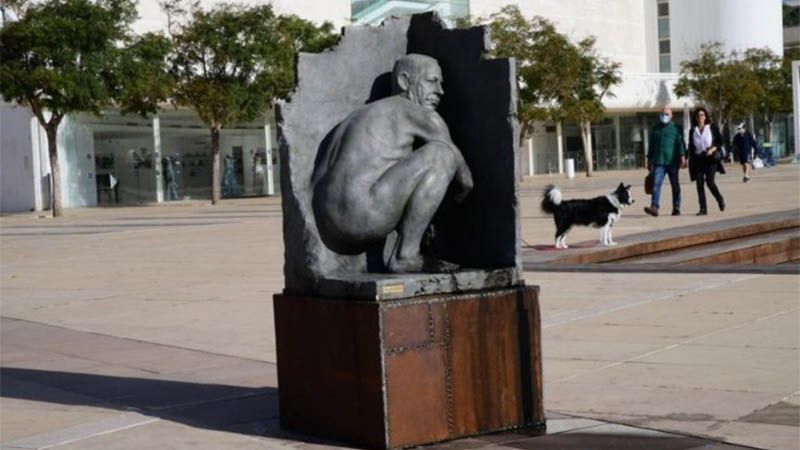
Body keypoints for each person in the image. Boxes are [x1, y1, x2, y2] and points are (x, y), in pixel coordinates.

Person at [311, 54, 473, 273]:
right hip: (364, 215)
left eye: (441, 84)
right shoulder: (420, 114)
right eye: (432, 81)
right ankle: (405, 255)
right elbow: (465, 181)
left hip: (328, 223)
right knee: (442, 154)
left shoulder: (357, 116)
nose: (440, 91)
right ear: (404, 82)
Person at [644, 106, 687, 217]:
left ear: (671, 116)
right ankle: (654, 207)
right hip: (659, 162)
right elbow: (652, 145)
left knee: (675, 185)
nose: (665, 116)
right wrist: (649, 159)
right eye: (663, 114)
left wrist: (682, 156)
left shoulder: (676, 128)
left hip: (672, 162)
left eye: (667, 114)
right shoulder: (656, 129)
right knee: (656, 184)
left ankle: (676, 207)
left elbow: (680, 143)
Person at [688, 106, 725, 215]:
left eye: (702, 115)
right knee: (699, 184)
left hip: (710, 158)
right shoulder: (692, 130)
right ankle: (703, 209)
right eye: (698, 115)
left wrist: (712, 149)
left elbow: (720, 142)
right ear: (695, 117)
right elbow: (691, 146)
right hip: (698, 159)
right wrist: (687, 158)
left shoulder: (712, 128)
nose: (700, 117)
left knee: (710, 182)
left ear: (706, 116)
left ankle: (719, 198)